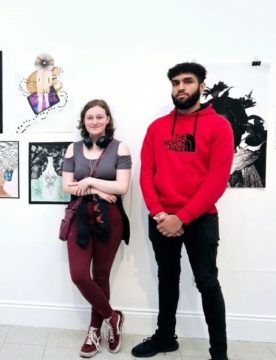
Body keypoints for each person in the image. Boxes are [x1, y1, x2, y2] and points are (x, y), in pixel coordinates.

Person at [133, 62, 234, 360]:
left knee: (207, 282)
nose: (181, 87)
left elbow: (217, 180)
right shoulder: (158, 127)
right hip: (162, 218)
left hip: (200, 218)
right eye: (176, 82)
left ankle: (219, 352)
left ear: (201, 86)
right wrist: (160, 214)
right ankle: (166, 337)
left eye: (188, 81)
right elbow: (146, 173)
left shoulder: (219, 126)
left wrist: (183, 217)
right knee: (167, 277)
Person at [61, 99, 132, 357]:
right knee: (80, 275)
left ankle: (94, 330)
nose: (94, 121)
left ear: (108, 120)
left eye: (99, 117)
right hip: (79, 216)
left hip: (109, 219)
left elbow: (122, 187)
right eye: (89, 117)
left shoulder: (119, 148)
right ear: (83, 122)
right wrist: (98, 188)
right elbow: (66, 186)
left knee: (100, 275)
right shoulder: (73, 149)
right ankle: (112, 317)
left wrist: (88, 180)